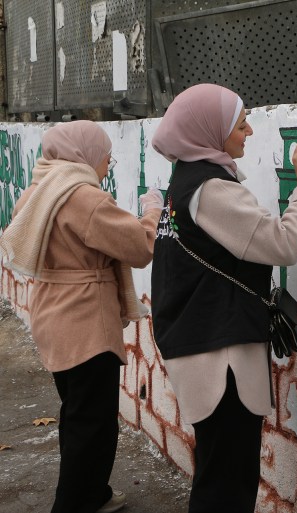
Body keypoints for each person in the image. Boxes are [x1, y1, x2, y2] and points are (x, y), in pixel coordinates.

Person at [149, 83, 297, 512]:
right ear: (209, 130)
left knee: (218, 474)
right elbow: (281, 245)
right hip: (219, 361)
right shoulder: (212, 190)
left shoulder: (185, 181)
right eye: (240, 123)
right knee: (226, 486)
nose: (248, 132)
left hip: (201, 348)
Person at [0, 120, 164, 513]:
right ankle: (73, 503)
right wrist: (153, 209)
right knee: (93, 426)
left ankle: (94, 494)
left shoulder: (41, 188)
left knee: (76, 412)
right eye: (104, 152)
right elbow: (140, 246)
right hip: (86, 319)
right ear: (83, 154)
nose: (108, 160)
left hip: (52, 314)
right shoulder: (82, 198)